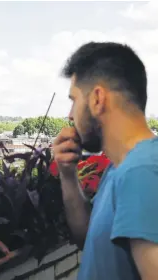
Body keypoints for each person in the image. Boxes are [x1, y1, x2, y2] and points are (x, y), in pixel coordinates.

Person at [52, 42, 158, 280]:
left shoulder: (141, 173)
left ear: (98, 98)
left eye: (74, 100)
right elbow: (90, 239)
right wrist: (68, 175)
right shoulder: (121, 167)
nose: (70, 115)